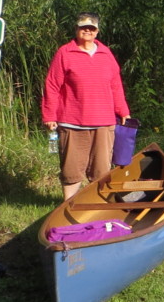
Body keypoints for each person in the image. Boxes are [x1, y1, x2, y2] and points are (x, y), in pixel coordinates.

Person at [41, 12, 131, 200]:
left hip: (104, 122)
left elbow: (115, 85)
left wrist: (123, 111)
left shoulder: (106, 54)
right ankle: (68, 206)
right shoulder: (65, 53)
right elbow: (52, 84)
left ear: (97, 31)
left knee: (101, 170)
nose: (87, 31)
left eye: (92, 28)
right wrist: (49, 115)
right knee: (71, 169)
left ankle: (97, 207)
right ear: (76, 29)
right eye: (83, 27)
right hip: (72, 121)